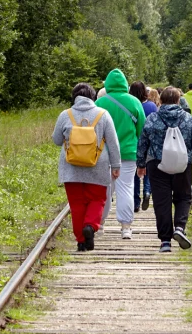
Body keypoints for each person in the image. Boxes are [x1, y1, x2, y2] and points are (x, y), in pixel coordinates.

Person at [52, 83, 122, 250]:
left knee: (76, 204)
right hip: (97, 165)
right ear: (93, 97)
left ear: (74, 97)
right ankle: (90, 226)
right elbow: (113, 142)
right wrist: (116, 165)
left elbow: (56, 140)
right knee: (97, 199)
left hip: (71, 167)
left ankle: (81, 241)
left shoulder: (65, 115)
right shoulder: (103, 114)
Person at [136, 87, 192, 253]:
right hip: (183, 163)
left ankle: (165, 241)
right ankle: (179, 228)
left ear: (161, 101)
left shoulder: (152, 118)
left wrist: (141, 164)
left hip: (157, 164)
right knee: (183, 197)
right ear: (178, 100)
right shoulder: (188, 119)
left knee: (161, 201)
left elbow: (143, 142)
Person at [95, 69, 146, 239]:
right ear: (125, 84)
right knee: (126, 188)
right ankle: (126, 227)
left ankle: (100, 225)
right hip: (128, 153)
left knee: (104, 190)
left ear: (108, 84)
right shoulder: (134, 102)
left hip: (104, 154)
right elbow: (142, 129)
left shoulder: (100, 103)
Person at [130, 81, 157, 212]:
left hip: (135, 142)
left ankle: (135, 202)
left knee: (135, 174)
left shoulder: (131, 105)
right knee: (148, 170)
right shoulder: (152, 106)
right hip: (150, 143)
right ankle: (147, 191)